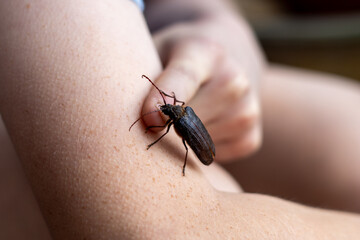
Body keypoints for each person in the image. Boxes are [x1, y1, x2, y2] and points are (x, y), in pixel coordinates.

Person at [0, 0, 360, 239]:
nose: (165, 109)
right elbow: (162, 227)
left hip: (161, 50)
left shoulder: (180, 113)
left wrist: (216, 26)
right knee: (202, 199)